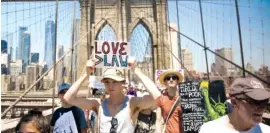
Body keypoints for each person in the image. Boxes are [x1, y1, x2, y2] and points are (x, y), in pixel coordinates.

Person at [63, 57, 161, 133]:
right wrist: (86, 74)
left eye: (115, 82)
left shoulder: (132, 103)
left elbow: (157, 97)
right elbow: (68, 98)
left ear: (122, 83)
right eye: (107, 82)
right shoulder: (99, 105)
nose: (110, 86)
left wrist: (136, 70)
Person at [199, 78, 270, 133]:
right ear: (234, 102)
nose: (261, 107)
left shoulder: (267, 130)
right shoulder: (209, 130)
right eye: (255, 101)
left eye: (264, 101)